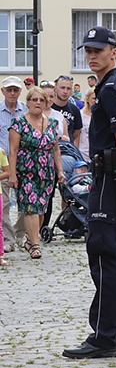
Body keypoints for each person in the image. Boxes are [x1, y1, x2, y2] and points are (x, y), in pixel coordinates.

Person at [62, 26, 116, 359]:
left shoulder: (112, 88)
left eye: (98, 50)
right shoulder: (115, 86)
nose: (91, 55)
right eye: (87, 50)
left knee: (104, 253)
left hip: (109, 177)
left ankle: (104, 336)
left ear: (114, 52)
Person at [7, 87, 65, 260]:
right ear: (28, 102)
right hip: (26, 171)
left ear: (46, 103)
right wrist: (12, 174)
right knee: (30, 208)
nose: (38, 103)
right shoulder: (18, 123)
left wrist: (60, 171)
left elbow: (56, 150)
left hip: (46, 171)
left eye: (41, 100)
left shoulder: (52, 123)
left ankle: (30, 240)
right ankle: (35, 245)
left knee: (41, 209)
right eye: (34, 99)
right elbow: (13, 150)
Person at [0, 76, 27, 252]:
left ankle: (20, 234)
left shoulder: (25, 110)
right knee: (3, 203)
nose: (12, 93)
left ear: (19, 92)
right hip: (2, 162)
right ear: (3, 91)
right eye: (9, 89)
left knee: (26, 203)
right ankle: (8, 239)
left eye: (15, 90)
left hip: (23, 162)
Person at [51, 75, 84, 144]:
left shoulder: (75, 110)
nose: (65, 91)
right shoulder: (48, 108)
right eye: (62, 88)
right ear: (55, 88)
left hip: (68, 149)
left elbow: (77, 135)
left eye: (68, 88)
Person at [79, 89, 95, 160]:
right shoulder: (80, 115)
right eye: (94, 98)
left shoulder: (103, 116)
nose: (96, 101)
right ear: (87, 99)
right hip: (83, 154)